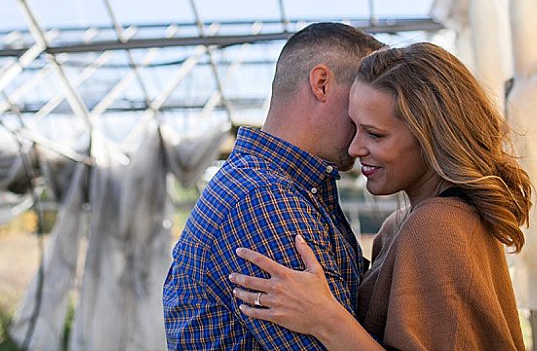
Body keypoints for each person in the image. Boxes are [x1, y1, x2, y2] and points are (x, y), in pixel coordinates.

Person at [229, 42, 532, 350]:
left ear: (433, 137)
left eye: (375, 134)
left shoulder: (437, 225)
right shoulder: (403, 224)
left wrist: (324, 319)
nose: (354, 148)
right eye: (354, 127)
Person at [163, 23, 385, 349]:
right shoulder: (263, 200)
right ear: (321, 84)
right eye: (360, 102)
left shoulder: (290, 189)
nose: (367, 124)